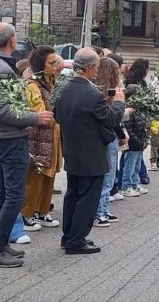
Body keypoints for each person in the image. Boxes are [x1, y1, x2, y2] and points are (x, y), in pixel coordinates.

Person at [0, 23, 55, 268]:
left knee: (3, 194)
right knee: (14, 196)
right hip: (8, 137)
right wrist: (35, 117)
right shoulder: (0, 69)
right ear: (12, 39)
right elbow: (2, 111)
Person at [53, 47, 125, 255]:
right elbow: (111, 119)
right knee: (87, 199)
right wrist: (119, 104)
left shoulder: (64, 88)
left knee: (73, 195)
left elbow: (57, 114)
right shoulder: (92, 94)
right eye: (97, 67)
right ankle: (76, 240)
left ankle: (69, 236)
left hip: (72, 148)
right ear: (91, 67)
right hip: (91, 153)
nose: (97, 71)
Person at [22, 45, 64, 228]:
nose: (55, 66)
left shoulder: (53, 81)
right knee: (35, 175)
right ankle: (26, 213)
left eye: (56, 62)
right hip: (37, 136)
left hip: (53, 134)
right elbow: (38, 111)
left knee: (50, 174)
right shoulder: (32, 84)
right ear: (41, 64)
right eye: (51, 63)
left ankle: (43, 210)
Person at [92, 56, 123, 226]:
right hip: (107, 136)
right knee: (107, 176)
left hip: (106, 135)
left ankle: (103, 209)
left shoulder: (98, 92)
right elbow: (112, 118)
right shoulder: (104, 95)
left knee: (108, 176)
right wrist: (120, 104)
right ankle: (99, 212)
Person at [121, 85, 149, 196]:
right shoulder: (128, 110)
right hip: (133, 143)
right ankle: (126, 187)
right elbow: (128, 129)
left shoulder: (139, 109)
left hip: (139, 142)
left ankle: (134, 184)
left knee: (137, 166)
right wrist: (137, 141)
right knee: (130, 165)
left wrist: (144, 140)